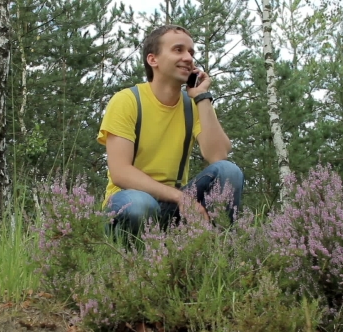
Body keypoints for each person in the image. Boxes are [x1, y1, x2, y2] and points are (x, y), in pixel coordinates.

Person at [96, 24, 244, 241]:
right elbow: (120, 173)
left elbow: (218, 157)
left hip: (173, 209)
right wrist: (181, 198)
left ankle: (220, 255)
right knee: (141, 204)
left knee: (228, 171)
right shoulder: (127, 101)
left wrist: (202, 97)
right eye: (178, 50)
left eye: (191, 52)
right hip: (128, 203)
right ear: (153, 59)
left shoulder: (192, 106)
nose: (189, 58)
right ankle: (130, 268)